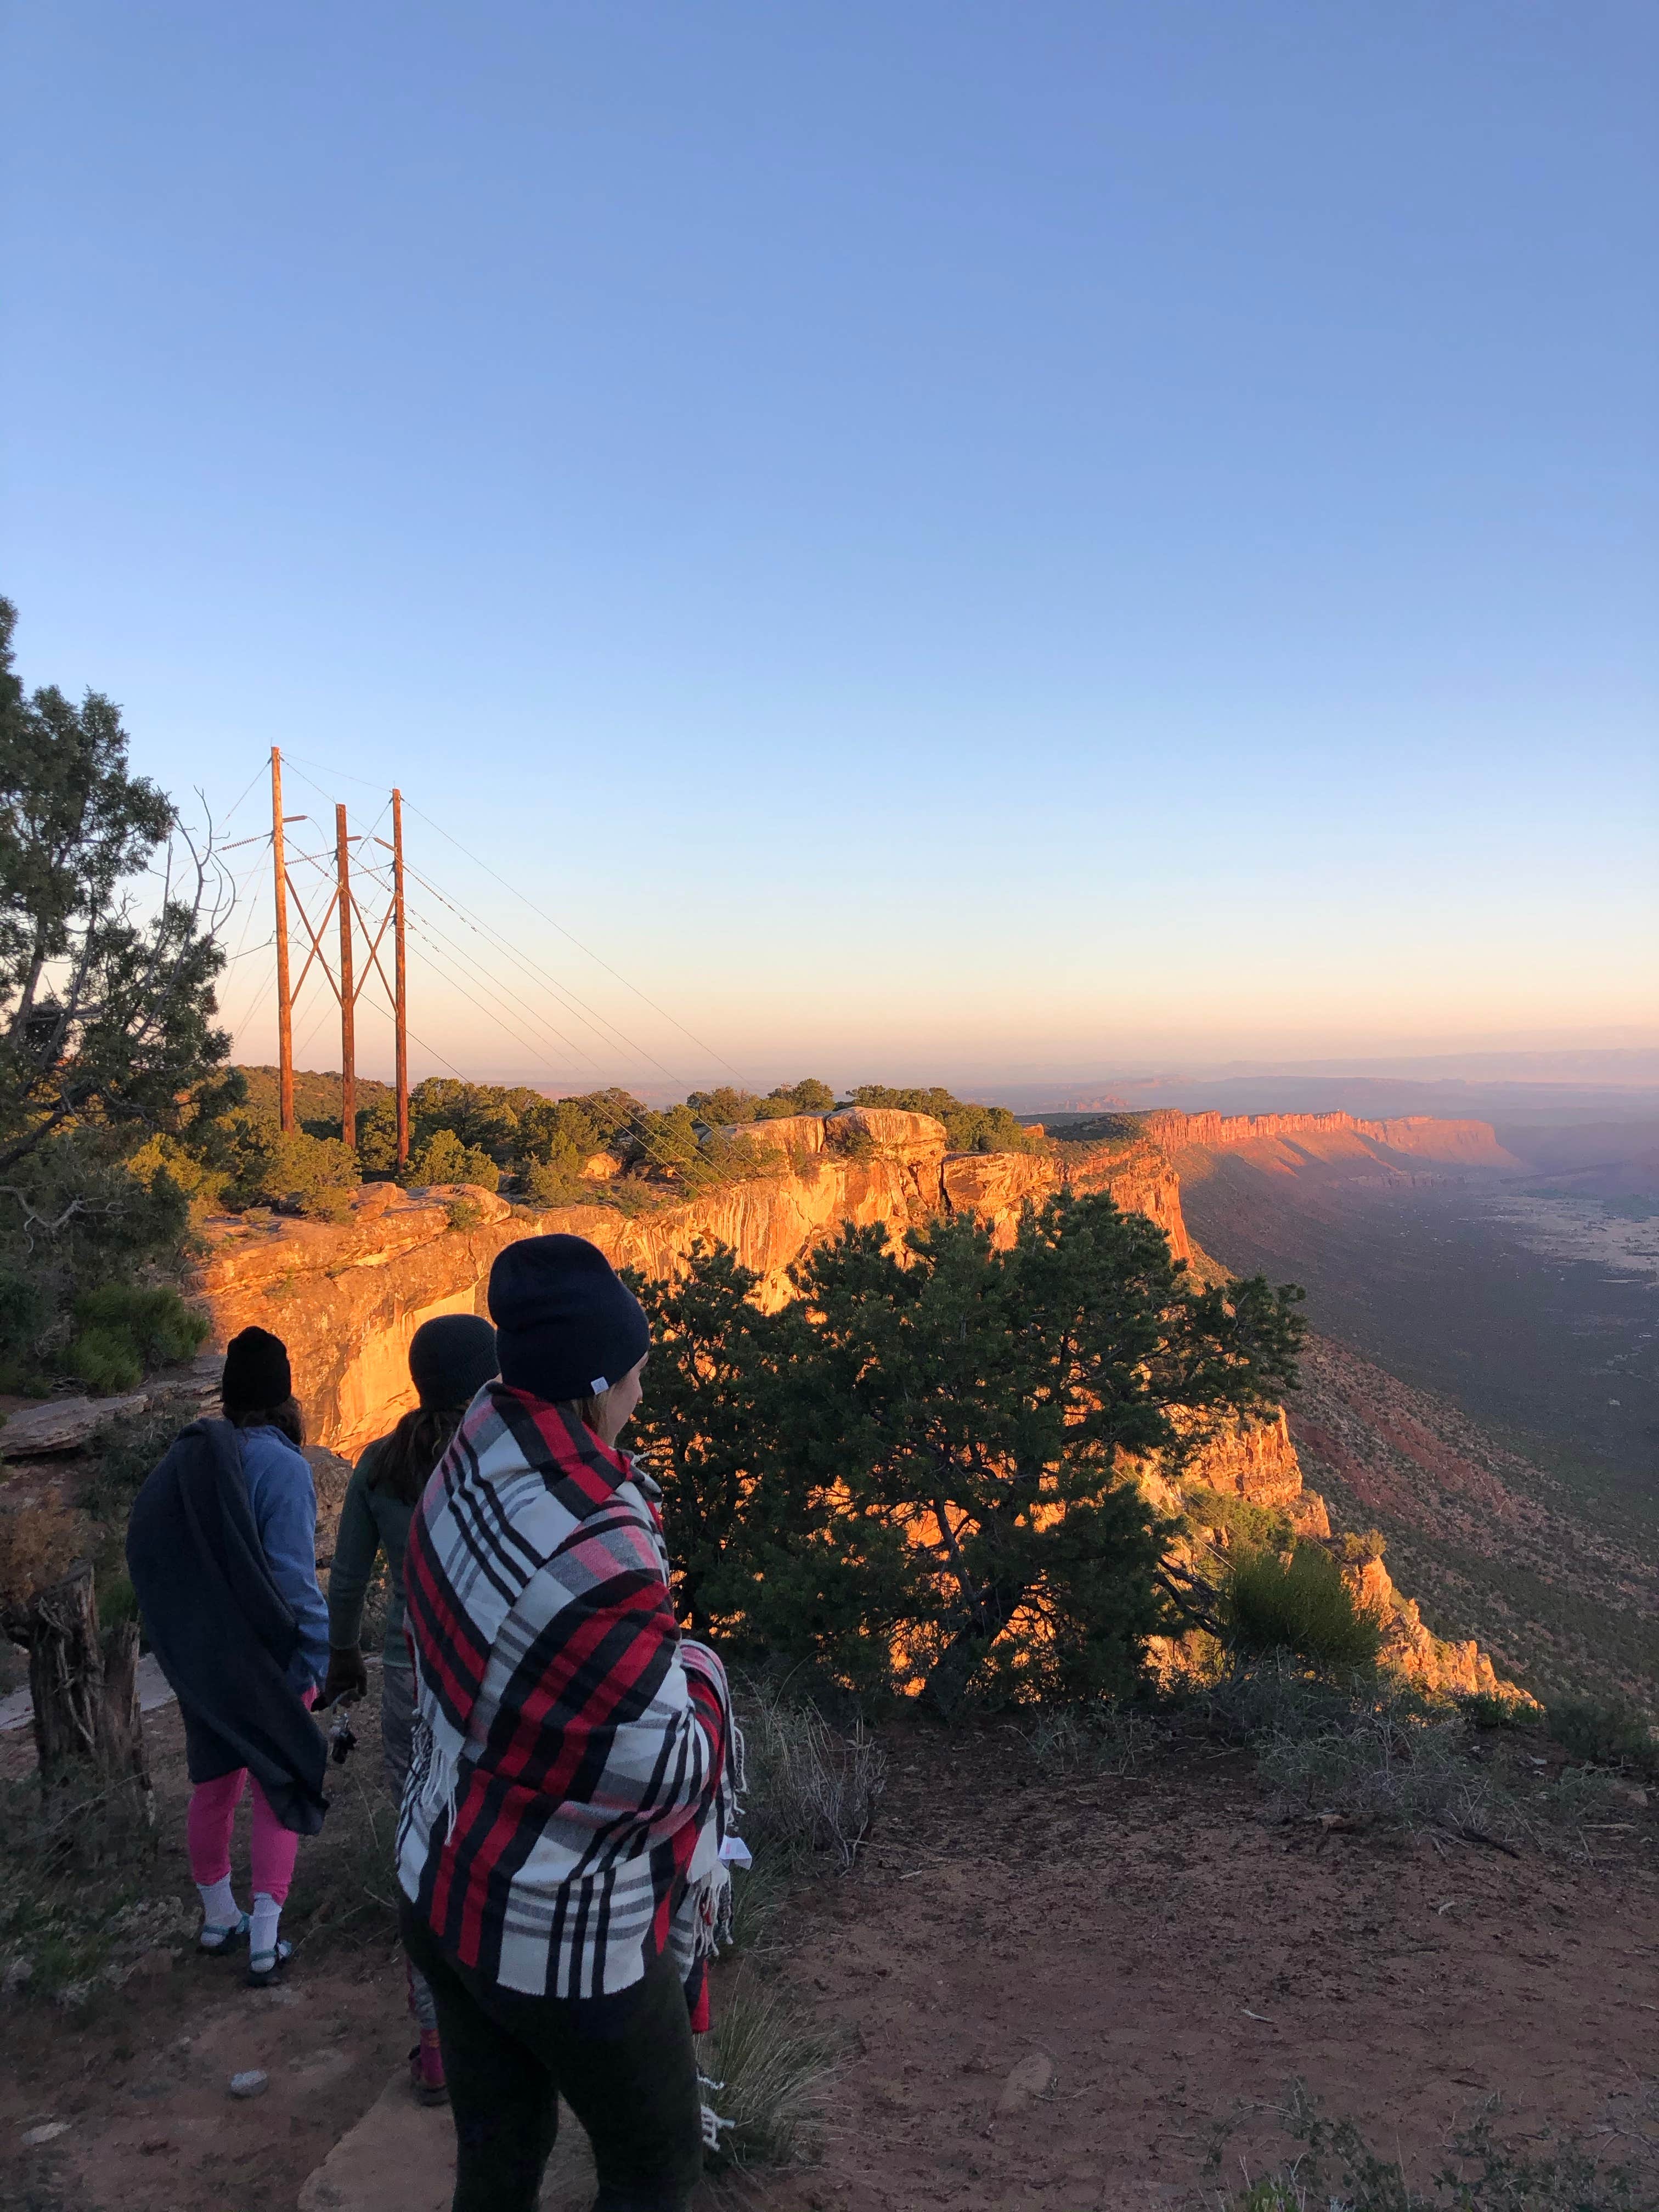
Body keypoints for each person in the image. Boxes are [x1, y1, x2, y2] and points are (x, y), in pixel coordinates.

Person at [398, 1234, 738, 2212]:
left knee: (498, 2156)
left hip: (439, 1880)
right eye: (634, 1369)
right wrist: (703, 1672)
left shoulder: (473, 1450)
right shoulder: (600, 1544)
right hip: (555, 1932)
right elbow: (668, 1765)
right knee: (654, 2168)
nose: (642, 1387)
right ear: (597, 1380)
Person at [323, 1311, 500, 2107]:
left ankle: (435, 2046)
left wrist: (341, 1659)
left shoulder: (379, 1466)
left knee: (420, 1848)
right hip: (494, 1678)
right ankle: (506, 2018)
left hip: (406, 1673)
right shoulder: (502, 1458)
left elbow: (350, 1580)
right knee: (498, 1839)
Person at [127, 1325, 329, 1988]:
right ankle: (266, 1939)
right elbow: (295, 1579)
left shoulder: (189, 1462)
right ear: (284, 1395)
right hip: (270, 1659)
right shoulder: (285, 1468)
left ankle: (219, 1916)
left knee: (214, 1785)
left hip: (207, 1654)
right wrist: (322, 1655)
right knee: (282, 1782)